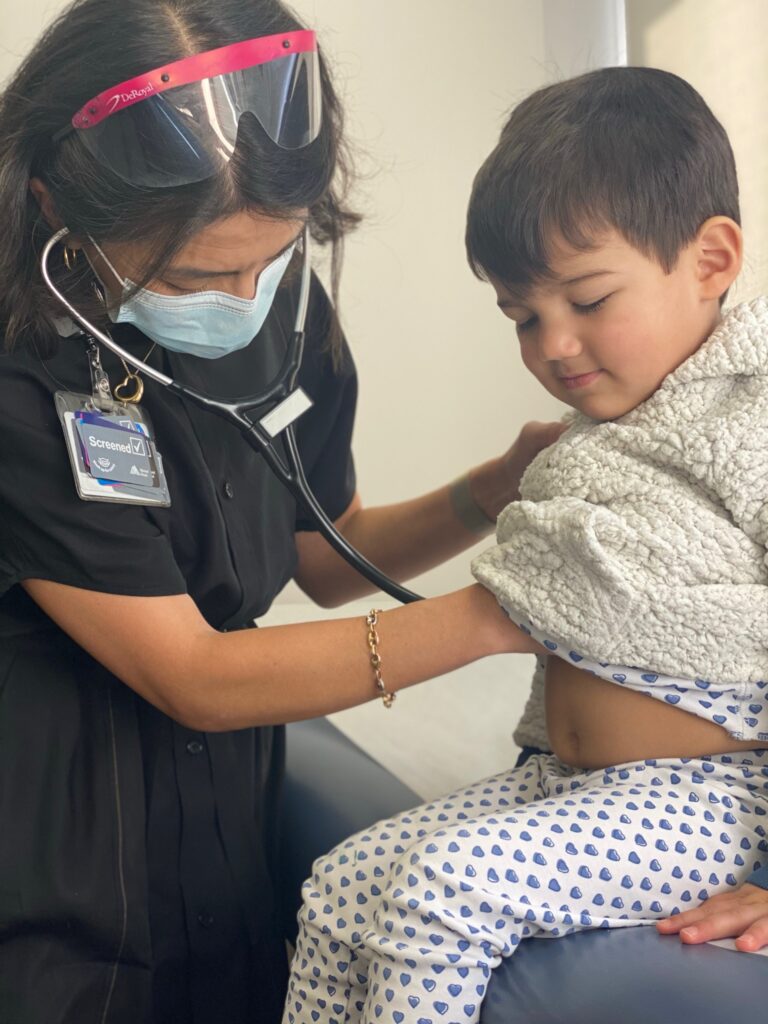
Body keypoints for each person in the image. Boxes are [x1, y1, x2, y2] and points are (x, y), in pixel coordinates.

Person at [0, 2, 563, 1022]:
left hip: (229, 857)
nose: (244, 293)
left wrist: (495, 486)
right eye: (199, 274)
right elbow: (195, 673)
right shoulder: (19, 387)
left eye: (276, 253)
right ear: (56, 206)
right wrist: (498, 615)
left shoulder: (281, 320)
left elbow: (325, 550)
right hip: (59, 892)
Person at [283, 67, 768, 1024]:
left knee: (439, 891)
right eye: (522, 316)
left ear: (712, 260)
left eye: (588, 300)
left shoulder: (751, 419)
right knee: (337, 890)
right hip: (561, 780)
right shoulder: (597, 440)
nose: (554, 344)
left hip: (703, 798)